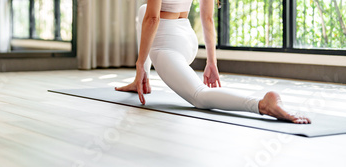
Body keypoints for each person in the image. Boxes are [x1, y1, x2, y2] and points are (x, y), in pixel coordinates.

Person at [115, 0, 311, 124]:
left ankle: (262, 104)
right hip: (187, 39)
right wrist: (211, 62)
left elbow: (152, 19)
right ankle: (141, 82)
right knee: (142, 10)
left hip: (166, 44)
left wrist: (140, 64)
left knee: (200, 96)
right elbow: (207, 18)